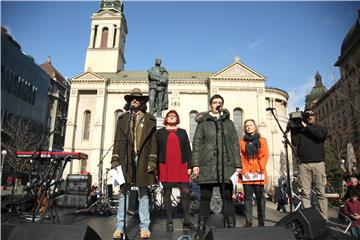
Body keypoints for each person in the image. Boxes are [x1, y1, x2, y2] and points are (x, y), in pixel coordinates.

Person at [192, 94, 241, 239]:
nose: (217, 104)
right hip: (207, 164)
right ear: (210, 105)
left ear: (223, 105)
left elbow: (234, 144)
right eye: (215, 102)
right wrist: (195, 163)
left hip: (226, 164)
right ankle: (201, 229)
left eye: (220, 102)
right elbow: (197, 144)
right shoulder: (203, 123)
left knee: (227, 196)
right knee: (205, 196)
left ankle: (231, 227)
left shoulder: (229, 123)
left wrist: (237, 165)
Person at [111, 88, 157, 239]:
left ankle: (144, 226)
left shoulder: (150, 119)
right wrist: (115, 159)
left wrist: (152, 159)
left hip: (143, 158)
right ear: (129, 101)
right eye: (132, 98)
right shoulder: (123, 118)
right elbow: (117, 140)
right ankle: (120, 227)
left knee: (143, 193)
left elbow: (153, 142)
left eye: (138, 98)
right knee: (124, 192)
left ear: (142, 101)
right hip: (125, 159)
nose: (135, 100)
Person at [154, 110, 195, 231]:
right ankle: (169, 221)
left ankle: (187, 220)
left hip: (181, 165)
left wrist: (189, 166)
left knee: (186, 191)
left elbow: (188, 150)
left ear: (177, 118)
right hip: (165, 165)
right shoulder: (159, 133)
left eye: (174, 116)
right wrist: (156, 168)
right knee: (167, 192)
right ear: (166, 119)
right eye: (169, 116)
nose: (172, 117)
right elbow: (156, 150)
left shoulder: (182, 132)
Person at [290, 109, 328, 219]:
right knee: (305, 193)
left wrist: (306, 127)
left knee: (321, 192)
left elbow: (319, 136)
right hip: (304, 165)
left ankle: (324, 218)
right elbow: (295, 143)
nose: (310, 117)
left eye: (312, 115)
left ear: (315, 116)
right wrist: (294, 129)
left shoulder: (320, 128)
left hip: (318, 163)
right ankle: (309, 218)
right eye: (307, 115)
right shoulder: (301, 129)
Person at [239, 119, 269, 227]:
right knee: (247, 198)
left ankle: (261, 221)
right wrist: (245, 171)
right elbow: (241, 157)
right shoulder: (242, 142)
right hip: (247, 175)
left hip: (258, 174)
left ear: (255, 127)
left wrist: (258, 169)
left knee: (260, 197)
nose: (249, 127)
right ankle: (248, 221)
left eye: (251, 125)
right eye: (247, 126)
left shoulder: (262, 141)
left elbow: (265, 156)